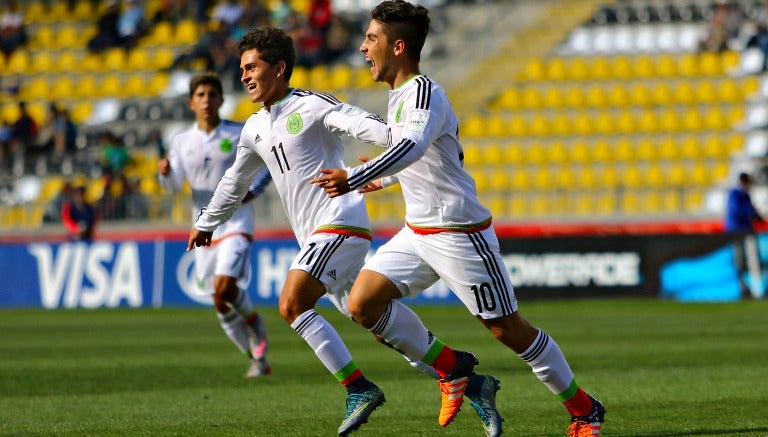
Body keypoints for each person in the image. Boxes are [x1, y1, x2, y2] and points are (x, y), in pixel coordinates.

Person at [186, 26, 501, 436]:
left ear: (279, 68)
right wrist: (206, 222)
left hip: (340, 223)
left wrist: (392, 149)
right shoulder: (253, 128)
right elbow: (234, 182)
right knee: (373, 319)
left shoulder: (313, 105)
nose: (244, 76)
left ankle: (358, 389)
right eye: (242, 69)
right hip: (317, 235)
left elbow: (371, 127)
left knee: (292, 304)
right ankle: (463, 374)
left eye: (252, 67)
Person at [310, 2, 606, 436]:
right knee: (362, 303)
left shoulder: (426, 93)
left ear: (398, 45)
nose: (362, 48)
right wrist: (384, 179)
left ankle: (584, 410)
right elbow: (430, 159)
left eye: (371, 39)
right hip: (418, 232)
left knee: (508, 330)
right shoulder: (400, 98)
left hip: (460, 233)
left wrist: (356, 176)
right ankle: (454, 369)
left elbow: (411, 147)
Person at [159, 72, 272, 378]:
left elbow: (266, 167)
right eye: (201, 95)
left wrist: (253, 191)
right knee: (219, 300)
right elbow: (173, 187)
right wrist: (166, 174)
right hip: (203, 224)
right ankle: (255, 357)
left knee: (224, 286)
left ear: (221, 100)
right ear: (190, 103)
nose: (207, 100)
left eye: (212, 94)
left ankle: (254, 323)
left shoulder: (239, 133)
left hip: (235, 220)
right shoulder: (181, 140)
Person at [725, 172, 765, 298]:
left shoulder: (744, 195)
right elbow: (738, 212)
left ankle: (754, 288)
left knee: (751, 260)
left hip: (746, 231)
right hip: (737, 232)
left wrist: (757, 216)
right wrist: (753, 214)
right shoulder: (735, 195)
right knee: (740, 261)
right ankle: (743, 288)